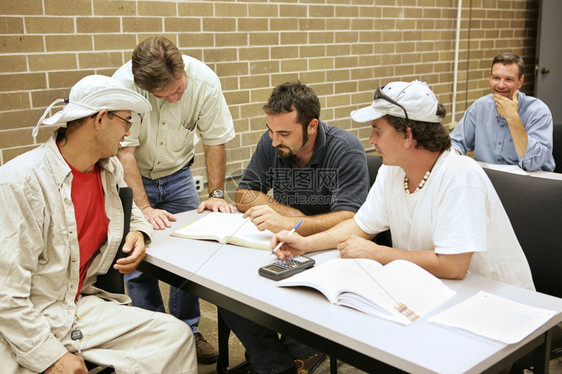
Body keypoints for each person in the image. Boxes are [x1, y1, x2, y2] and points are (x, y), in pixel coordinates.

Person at [0, 75, 196, 374]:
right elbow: (6, 296)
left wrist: (138, 231)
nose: (129, 132)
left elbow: (130, 211)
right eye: (126, 121)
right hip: (27, 315)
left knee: (175, 337)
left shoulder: (109, 168)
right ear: (101, 119)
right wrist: (49, 356)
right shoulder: (19, 182)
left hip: (76, 305)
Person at [273, 80, 535, 293]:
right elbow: (361, 226)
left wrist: (379, 253)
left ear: (408, 135)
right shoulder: (392, 170)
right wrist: (305, 244)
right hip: (435, 290)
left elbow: (453, 266)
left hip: (496, 302)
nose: (371, 139)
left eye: (377, 130)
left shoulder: (459, 176)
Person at [221, 81, 371, 374]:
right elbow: (244, 195)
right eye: (270, 130)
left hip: (329, 251)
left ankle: (277, 361)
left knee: (298, 309)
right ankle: (277, 365)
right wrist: (290, 216)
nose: (275, 140)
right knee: (225, 290)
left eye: (284, 133)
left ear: (312, 126)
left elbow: (350, 217)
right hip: (282, 245)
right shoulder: (272, 142)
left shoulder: (345, 148)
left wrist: (293, 224)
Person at [112, 36, 236, 363]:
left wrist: (217, 194)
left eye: (178, 90)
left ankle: (188, 331)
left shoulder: (204, 82)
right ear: (145, 88)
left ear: (182, 70)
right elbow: (125, 152)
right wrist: (144, 208)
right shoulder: (123, 85)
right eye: (163, 96)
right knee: (138, 257)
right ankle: (152, 335)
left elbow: (215, 141)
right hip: (133, 174)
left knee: (190, 253)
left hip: (179, 173)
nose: (174, 98)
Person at [450, 52, 555, 171]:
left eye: (509, 79)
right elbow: (455, 142)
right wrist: (456, 157)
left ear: (520, 81)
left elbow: (533, 163)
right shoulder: (480, 106)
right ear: (490, 77)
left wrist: (512, 118)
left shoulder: (538, 111)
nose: (500, 85)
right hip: (489, 181)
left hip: (530, 182)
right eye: (496, 78)